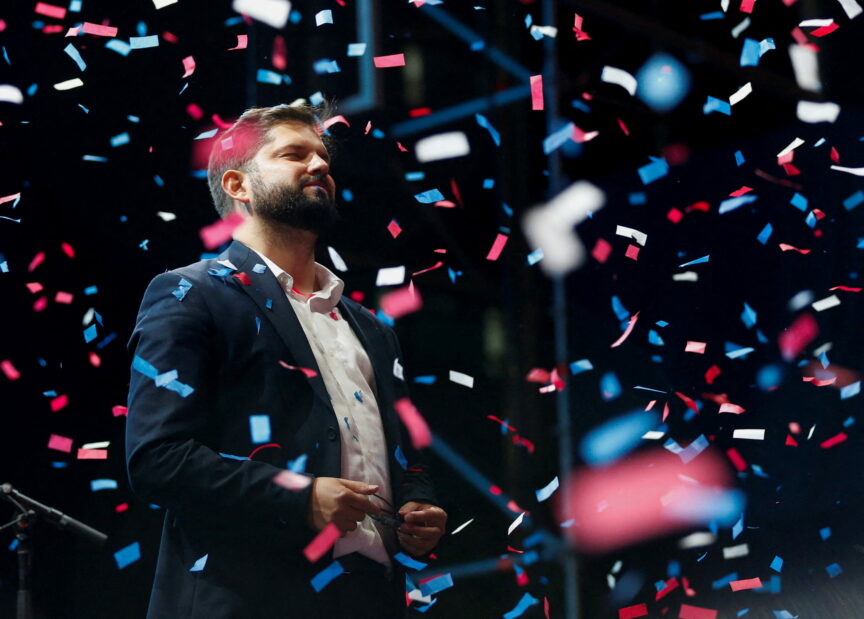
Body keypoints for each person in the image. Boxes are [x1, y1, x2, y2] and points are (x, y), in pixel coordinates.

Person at [125, 103, 446, 619]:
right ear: (238, 185)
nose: (319, 166)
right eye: (294, 155)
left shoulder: (373, 329)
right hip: (246, 596)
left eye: (323, 157)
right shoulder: (190, 293)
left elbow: (407, 458)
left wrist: (418, 506)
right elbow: (157, 459)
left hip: (370, 599)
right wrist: (299, 496)